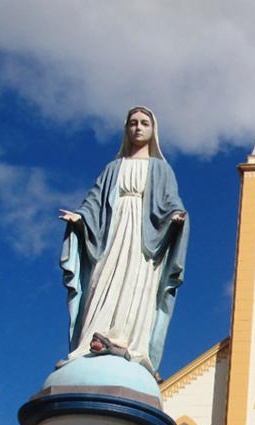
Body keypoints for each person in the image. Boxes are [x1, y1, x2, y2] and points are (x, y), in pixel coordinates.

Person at [59, 106, 188, 377]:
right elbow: (94, 200)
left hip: (145, 241)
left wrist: (175, 217)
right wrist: (80, 218)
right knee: (102, 282)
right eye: (132, 123)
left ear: (153, 131)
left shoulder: (162, 169)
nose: (138, 128)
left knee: (136, 286)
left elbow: (171, 201)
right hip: (112, 235)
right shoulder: (113, 168)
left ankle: (129, 343)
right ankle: (90, 343)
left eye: (144, 123)